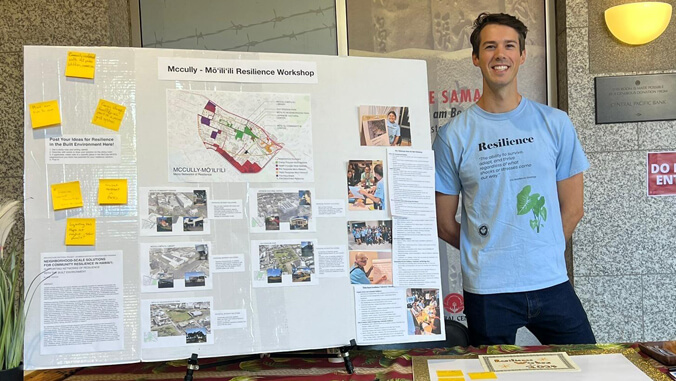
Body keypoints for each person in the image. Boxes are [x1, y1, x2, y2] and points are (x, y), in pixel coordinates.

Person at [432, 12, 595, 346]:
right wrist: (487, 250)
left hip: (550, 281)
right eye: (490, 46)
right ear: (476, 58)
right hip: (488, 289)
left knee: (588, 365)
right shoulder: (453, 136)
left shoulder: (556, 123)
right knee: (492, 374)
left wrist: (542, 249)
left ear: (522, 55)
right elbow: (444, 223)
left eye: (509, 46)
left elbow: (574, 207)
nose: (500, 54)